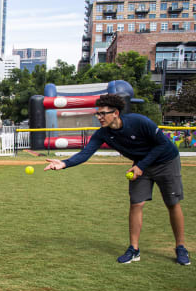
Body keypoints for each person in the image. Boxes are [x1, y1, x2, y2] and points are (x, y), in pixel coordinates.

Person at [44, 94, 190, 266]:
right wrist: (64, 163)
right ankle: (134, 249)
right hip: (140, 165)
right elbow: (86, 153)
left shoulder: (139, 122)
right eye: (97, 114)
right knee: (136, 203)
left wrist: (141, 166)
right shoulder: (103, 134)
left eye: (103, 114)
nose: (99, 117)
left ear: (116, 113)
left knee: (172, 203)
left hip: (166, 161)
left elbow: (163, 144)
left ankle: (180, 247)